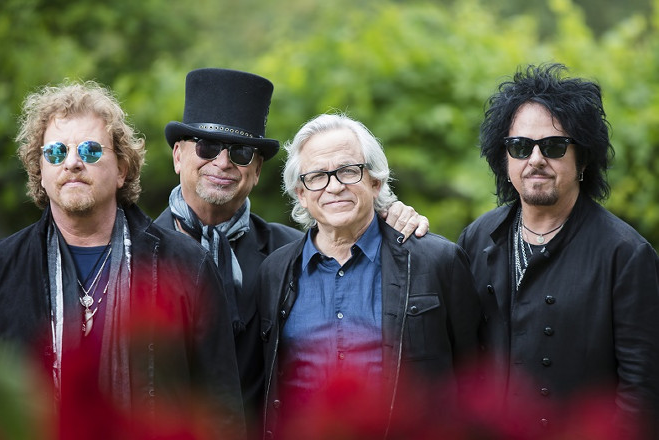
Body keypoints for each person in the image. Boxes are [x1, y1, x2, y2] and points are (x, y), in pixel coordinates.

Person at [153, 68, 430, 430]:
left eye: (240, 152)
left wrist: (388, 213)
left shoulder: (288, 256)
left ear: (256, 170)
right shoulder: (134, 252)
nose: (222, 163)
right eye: (206, 147)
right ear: (178, 156)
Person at [0, 81, 244, 438]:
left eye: (90, 150)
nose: (72, 163)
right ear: (40, 170)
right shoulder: (5, 267)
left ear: (122, 170)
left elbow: (221, 409)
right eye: (55, 152)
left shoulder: (187, 266)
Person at [457, 63, 659, 438]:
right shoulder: (476, 238)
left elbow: (641, 393)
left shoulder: (626, 255)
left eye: (553, 146)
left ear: (583, 158)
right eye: (520, 147)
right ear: (504, 158)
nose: (535, 159)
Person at [255, 113, 481, 439]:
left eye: (348, 171)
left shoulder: (436, 262)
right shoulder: (274, 273)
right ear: (301, 193)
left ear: (375, 182)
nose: (335, 187)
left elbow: (475, 380)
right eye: (317, 176)